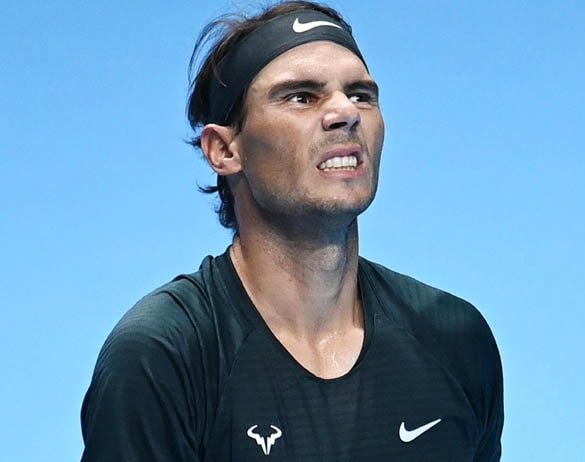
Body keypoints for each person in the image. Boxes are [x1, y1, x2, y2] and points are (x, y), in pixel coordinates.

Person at [80, 1, 503, 460]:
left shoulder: (455, 340)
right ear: (223, 150)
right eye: (301, 96)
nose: (346, 112)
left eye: (361, 94)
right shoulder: (162, 358)